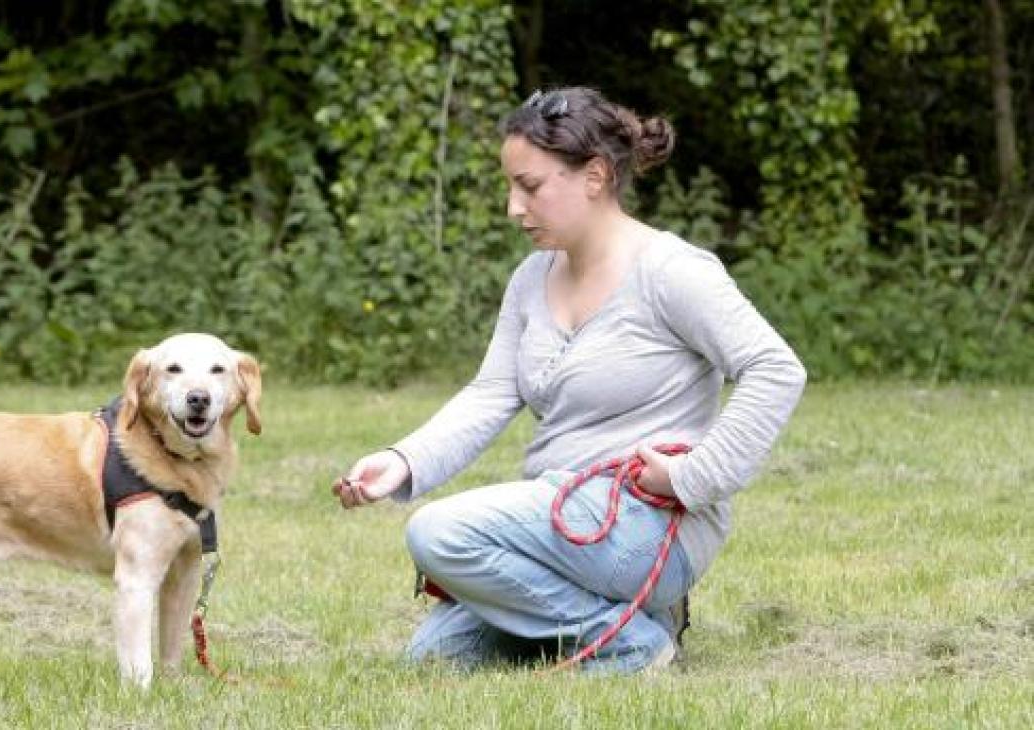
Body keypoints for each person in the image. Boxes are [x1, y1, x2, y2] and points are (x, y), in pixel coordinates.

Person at [331, 86, 807, 675]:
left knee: (437, 533)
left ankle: (630, 639)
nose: (513, 206)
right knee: (431, 660)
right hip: (559, 521)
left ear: (596, 175)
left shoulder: (672, 271)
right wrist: (402, 461)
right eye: (510, 187)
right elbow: (491, 394)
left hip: (648, 524)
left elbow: (775, 368)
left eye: (529, 186)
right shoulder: (532, 278)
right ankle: (632, 621)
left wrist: (692, 477)